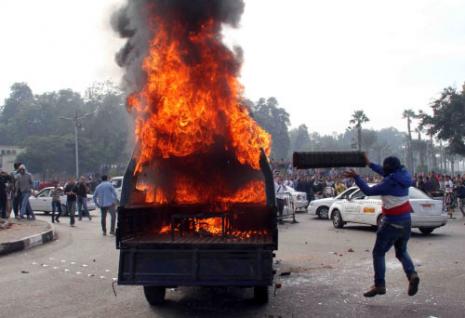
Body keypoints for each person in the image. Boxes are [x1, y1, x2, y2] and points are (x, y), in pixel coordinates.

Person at [344, 156, 419, 298]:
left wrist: (357, 177)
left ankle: (379, 285)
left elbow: (368, 191)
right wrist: (369, 163)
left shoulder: (389, 182)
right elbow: (384, 171)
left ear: (389, 169)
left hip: (391, 222)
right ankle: (412, 274)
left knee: (378, 253)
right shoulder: (403, 175)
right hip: (406, 221)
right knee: (401, 251)